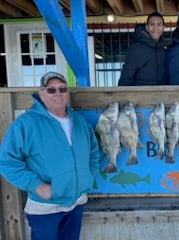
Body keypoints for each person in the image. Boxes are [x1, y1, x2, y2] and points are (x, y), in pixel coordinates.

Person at [0, 71, 101, 240]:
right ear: (41, 94)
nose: (58, 94)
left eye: (62, 89)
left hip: (76, 202)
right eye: (51, 90)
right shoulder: (26, 123)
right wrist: (37, 185)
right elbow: (6, 161)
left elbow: (93, 152)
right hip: (45, 207)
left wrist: (87, 176)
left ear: (68, 93)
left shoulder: (79, 121)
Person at [118, 12, 166, 86]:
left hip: (161, 96)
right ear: (147, 27)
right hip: (140, 96)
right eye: (152, 24)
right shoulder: (135, 50)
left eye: (159, 25)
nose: (155, 28)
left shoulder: (163, 50)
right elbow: (126, 78)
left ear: (163, 28)